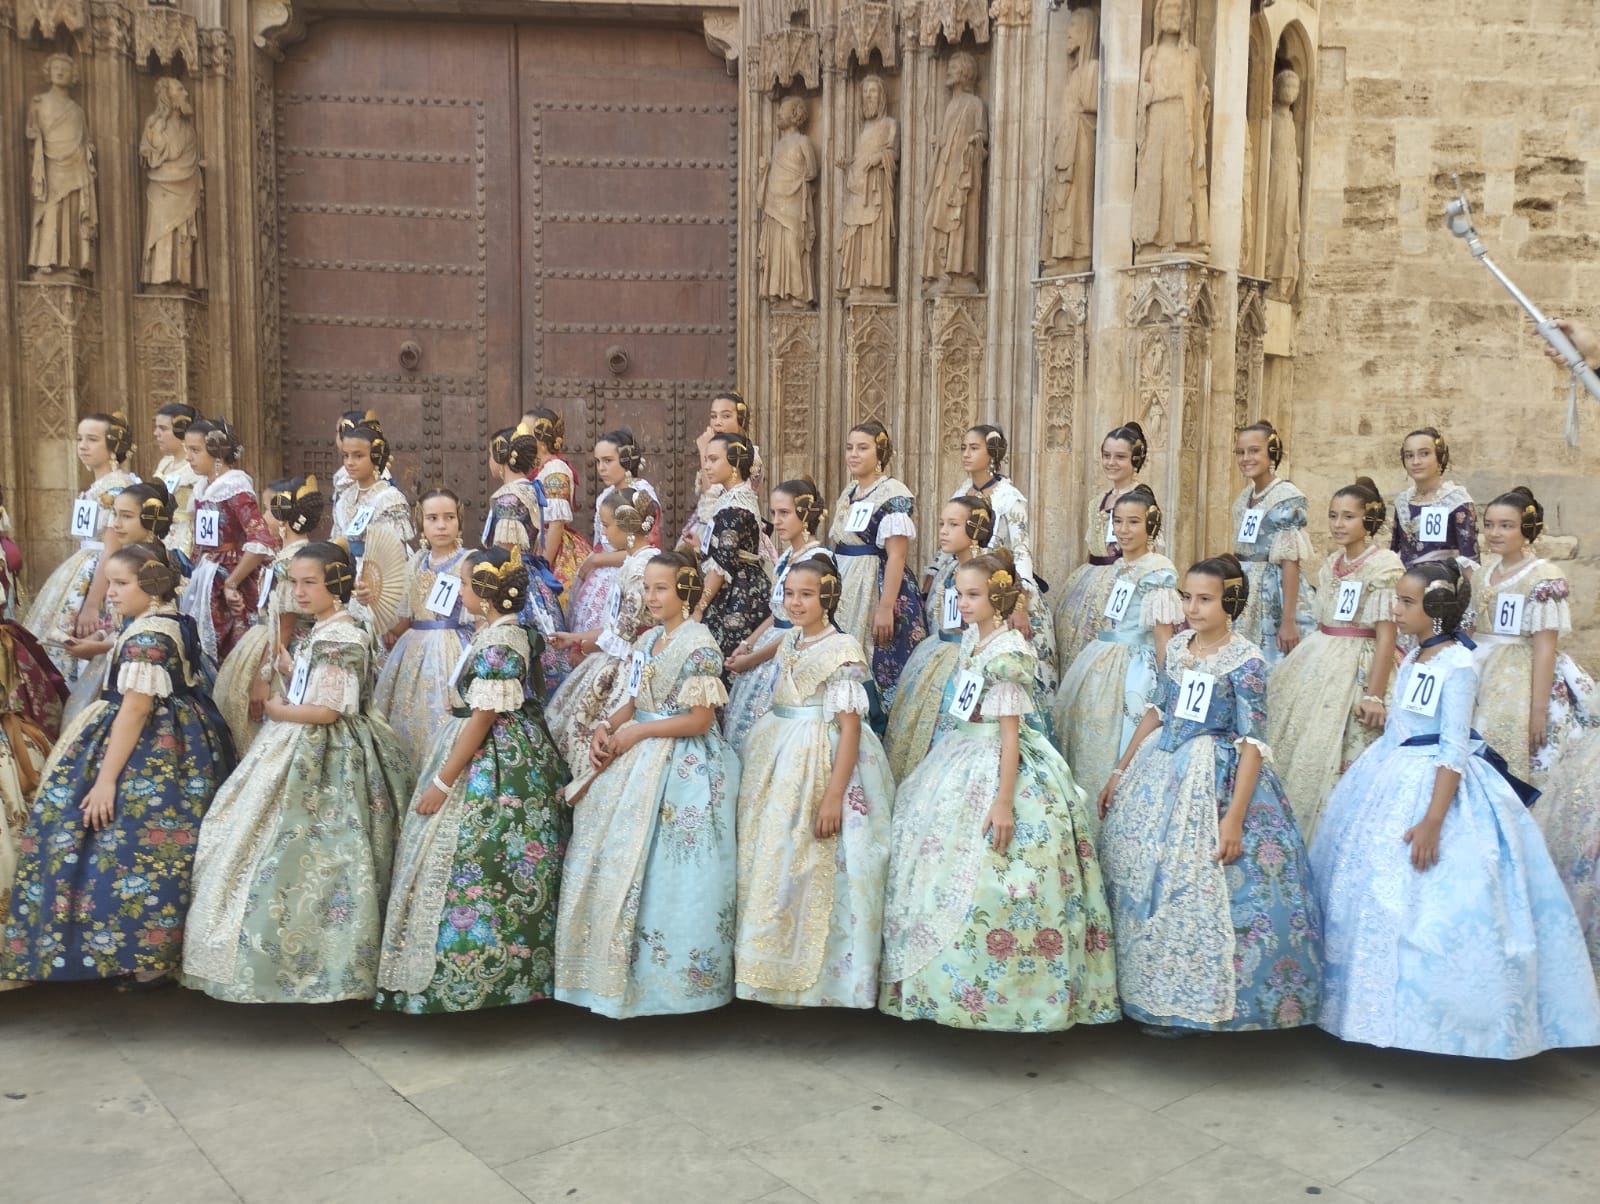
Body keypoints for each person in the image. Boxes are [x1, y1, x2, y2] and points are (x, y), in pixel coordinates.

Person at [1312, 560, 1600, 1057]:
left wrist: (1432, 820)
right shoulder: (1416, 657)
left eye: (1407, 603)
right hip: (1388, 773)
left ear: (1438, 609)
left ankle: (1432, 1025)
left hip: (1435, 784)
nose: (1396, 610)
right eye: (1397, 600)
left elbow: (1452, 747)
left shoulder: (1459, 665)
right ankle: (1357, 1010)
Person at [880, 551, 1118, 1032]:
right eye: (959, 594)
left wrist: (1004, 801)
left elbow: (1010, 733)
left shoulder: (1009, 653)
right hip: (961, 751)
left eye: (973, 595)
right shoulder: (974, 639)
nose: (963, 604)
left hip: (997, 761)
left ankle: (1011, 995)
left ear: (998, 597)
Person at [1097, 554, 1322, 1035]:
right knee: (1141, 874)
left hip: (1214, 776)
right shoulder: (1178, 646)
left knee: (1198, 884)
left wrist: (1235, 818)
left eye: (1205, 599)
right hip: (1162, 766)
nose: (1192, 608)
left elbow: (1253, 742)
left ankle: (1201, 1002)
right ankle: (1144, 990)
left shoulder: (1247, 662)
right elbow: (1158, 710)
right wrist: (1121, 767)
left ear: (1230, 602)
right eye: (1187, 597)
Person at [183, 542, 411, 1004]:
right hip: (298, 738)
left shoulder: (342, 636)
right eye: (295, 582)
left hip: (327, 752)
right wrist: (288, 667)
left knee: (321, 854)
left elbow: (326, 712)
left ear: (337, 585)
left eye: (311, 583)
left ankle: (321, 966)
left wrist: (276, 709)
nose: (300, 593)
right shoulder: (325, 630)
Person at [2, 542, 233, 989]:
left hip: (151, 746)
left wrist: (106, 779)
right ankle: (156, 950)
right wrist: (102, 646)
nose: (109, 592)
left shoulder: (146, 639)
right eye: (109, 583)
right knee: (161, 845)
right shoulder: (168, 620)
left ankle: (137, 951)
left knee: (124, 840)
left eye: (120, 584)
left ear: (151, 586)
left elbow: (135, 710)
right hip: (186, 737)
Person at [377, 546, 569, 1014]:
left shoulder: (503, 643)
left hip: (492, 759)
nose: (459, 592)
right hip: (497, 743)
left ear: (484, 594)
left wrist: (442, 784)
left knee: (483, 855)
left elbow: (483, 717)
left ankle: (484, 976)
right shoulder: (502, 631)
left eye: (464, 585)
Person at [554, 552, 739, 1018]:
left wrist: (637, 732)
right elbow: (634, 702)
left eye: (662, 588)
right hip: (637, 752)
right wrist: (606, 724)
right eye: (648, 588)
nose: (652, 598)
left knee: (673, 868)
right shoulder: (648, 640)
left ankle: (674, 986)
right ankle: (605, 975)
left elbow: (699, 720)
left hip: (684, 765)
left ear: (686, 590)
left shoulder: (700, 646)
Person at [735, 558, 894, 1008]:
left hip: (820, 760)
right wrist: (745, 659)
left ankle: (827, 981)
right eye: (789, 594)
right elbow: (775, 655)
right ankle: (765, 966)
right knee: (770, 855)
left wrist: (833, 796)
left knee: (817, 859)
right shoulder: (792, 638)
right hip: (776, 751)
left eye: (806, 594)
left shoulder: (843, 650)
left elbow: (849, 729)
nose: (795, 603)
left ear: (827, 598)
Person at [1267, 479, 1403, 840]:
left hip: (1360, 661)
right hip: (1322, 653)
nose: (1339, 524)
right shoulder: (1331, 563)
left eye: (1348, 517)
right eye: (1333, 516)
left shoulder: (1384, 566)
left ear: (1368, 520)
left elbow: (1386, 633)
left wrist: (1374, 693)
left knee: (1350, 745)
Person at [1053, 486, 1181, 832]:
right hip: (1102, 659)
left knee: (1120, 741)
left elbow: (1162, 634)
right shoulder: (1120, 567)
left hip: (1133, 668)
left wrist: (1166, 682)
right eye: (1118, 522)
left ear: (1150, 526)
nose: (1123, 530)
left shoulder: (1157, 570)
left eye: (1133, 522)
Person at [926, 426, 1058, 714]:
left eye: (974, 448)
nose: (966, 454)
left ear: (993, 453)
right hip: (962, 574)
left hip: (997, 583)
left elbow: (1021, 550)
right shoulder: (961, 491)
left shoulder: (1010, 497)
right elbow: (948, 536)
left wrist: (1019, 601)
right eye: (963, 447)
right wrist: (931, 571)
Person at [1468, 486, 1594, 786]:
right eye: (1489, 525)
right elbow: (1470, 626)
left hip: (1520, 676)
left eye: (1506, 526)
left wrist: (1538, 711)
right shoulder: (1483, 571)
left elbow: (1545, 648)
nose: (1495, 533)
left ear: (1527, 529)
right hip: (1478, 669)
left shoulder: (1543, 576)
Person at [545, 487, 660, 778]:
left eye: (607, 525)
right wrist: (575, 638)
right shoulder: (634, 562)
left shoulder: (641, 569)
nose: (603, 532)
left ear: (627, 526)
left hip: (630, 668)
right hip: (620, 655)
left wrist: (582, 646)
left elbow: (624, 637)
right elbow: (615, 628)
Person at [885, 495, 993, 782]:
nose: (943, 531)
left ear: (975, 529)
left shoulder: (984, 573)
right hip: (939, 650)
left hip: (967, 659)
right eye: (942, 523)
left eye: (953, 525)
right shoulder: (950, 567)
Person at [25, 412, 139, 682]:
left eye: (92, 439)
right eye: (79, 439)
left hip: (99, 576)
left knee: (84, 640)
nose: (83, 446)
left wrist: (91, 604)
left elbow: (112, 550)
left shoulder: (117, 488)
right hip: (84, 567)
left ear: (113, 446)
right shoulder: (99, 486)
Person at [723, 479, 834, 754]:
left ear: (805, 514)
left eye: (784, 513)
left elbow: (800, 626)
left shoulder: (819, 559)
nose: (777, 521)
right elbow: (777, 613)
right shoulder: (787, 555)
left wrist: (753, 658)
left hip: (795, 650)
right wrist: (747, 643)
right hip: (770, 644)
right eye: (773, 513)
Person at [213, 476, 322, 754]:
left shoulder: (292, 560)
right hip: (265, 640)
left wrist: (263, 679)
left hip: (279, 651)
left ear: (285, 516)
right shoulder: (286, 555)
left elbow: (285, 624)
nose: (261, 517)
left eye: (268, 510)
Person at [828, 422, 926, 717]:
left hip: (875, 582)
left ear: (880, 452)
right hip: (845, 578)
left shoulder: (893, 494)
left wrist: (886, 607)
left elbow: (896, 555)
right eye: (849, 447)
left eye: (863, 447)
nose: (853, 454)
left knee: (874, 653)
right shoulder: (850, 491)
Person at [372, 489, 474, 771]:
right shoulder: (415, 562)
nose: (441, 525)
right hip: (412, 653)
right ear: (422, 524)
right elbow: (404, 621)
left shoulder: (470, 562)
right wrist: (373, 603)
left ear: (459, 521)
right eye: (432, 518)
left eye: (449, 517)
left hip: (453, 650)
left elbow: (479, 616)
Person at [1054, 422, 1152, 672]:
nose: (1111, 462)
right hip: (1089, 579)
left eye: (1120, 457)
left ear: (1135, 458)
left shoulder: (1141, 497)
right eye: (1106, 456)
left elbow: (1149, 545)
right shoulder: (1099, 499)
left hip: (1120, 580)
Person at [177, 418, 275, 664]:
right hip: (205, 573)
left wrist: (232, 583)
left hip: (229, 572)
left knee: (231, 645)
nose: (188, 457)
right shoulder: (203, 487)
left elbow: (260, 540)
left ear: (217, 452)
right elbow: (201, 540)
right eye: (187, 449)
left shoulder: (235, 487)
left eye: (195, 450)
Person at [485, 424, 570, 696]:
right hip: (534, 582)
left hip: (514, 580)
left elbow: (504, 551)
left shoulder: (509, 497)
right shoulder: (532, 490)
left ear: (500, 458)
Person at [1230, 421, 1314, 672]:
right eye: (1240, 452)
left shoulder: (1286, 496)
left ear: (1272, 452)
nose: (1246, 458)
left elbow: (1290, 560)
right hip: (1246, 590)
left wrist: (1288, 620)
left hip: (1274, 591)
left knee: (1274, 663)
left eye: (1254, 451)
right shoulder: (1243, 497)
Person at [568, 429, 660, 635]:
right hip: (601, 575)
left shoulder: (642, 496)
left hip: (628, 575)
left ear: (627, 460)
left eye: (608, 461)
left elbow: (646, 547)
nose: (601, 468)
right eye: (598, 462)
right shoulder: (606, 495)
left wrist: (596, 561)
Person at [692, 433, 771, 667]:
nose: (706, 466)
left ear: (735, 463)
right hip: (743, 585)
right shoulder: (734, 498)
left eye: (714, 459)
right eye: (706, 459)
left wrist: (699, 608)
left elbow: (721, 566)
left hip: (738, 594)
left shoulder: (734, 508)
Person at [679, 390, 770, 555]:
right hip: (707, 527)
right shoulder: (717, 450)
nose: (717, 422)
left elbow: (712, 496)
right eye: (713, 416)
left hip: (731, 530)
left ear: (741, 419)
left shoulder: (749, 456)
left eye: (726, 416)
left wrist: (703, 452)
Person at [521, 406, 593, 602]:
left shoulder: (555, 470)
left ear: (541, 439)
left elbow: (556, 524)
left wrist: (543, 566)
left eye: (525, 433)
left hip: (553, 548)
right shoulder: (542, 468)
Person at [1391, 427, 1478, 570]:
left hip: (1441, 584)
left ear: (1440, 457)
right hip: (1402, 581)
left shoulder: (1456, 500)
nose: (1416, 461)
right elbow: (1395, 550)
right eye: (1409, 455)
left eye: (1424, 454)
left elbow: (1470, 558)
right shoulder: (1402, 501)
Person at [151, 403, 200, 565]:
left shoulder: (195, 466)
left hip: (185, 538)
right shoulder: (165, 463)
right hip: (160, 535)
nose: (156, 433)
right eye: (156, 427)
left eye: (163, 428)